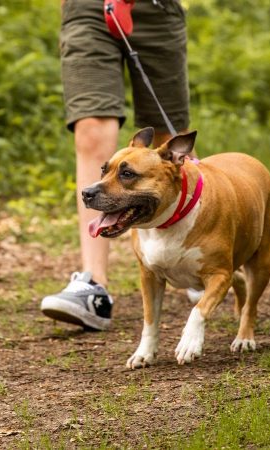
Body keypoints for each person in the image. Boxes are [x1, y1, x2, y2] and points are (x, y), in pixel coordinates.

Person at [40, 0, 190, 330]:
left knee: (169, 139)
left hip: (156, 8)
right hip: (88, 8)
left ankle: (193, 260)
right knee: (92, 129)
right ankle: (93, 286)